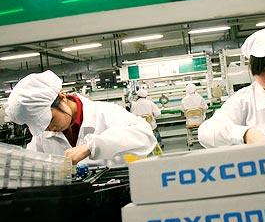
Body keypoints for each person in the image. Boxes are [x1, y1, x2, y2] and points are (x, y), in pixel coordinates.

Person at [5, 70, 157, 164]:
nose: (49, 128)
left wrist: (92, 146)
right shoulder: (43, 136)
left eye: (50, 120)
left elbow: (145, 135)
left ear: (61, 97)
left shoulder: (105, 112)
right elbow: (33, 162)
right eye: (41, 125)